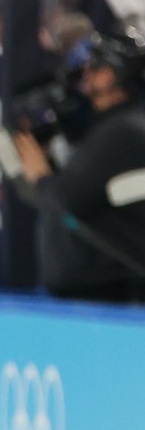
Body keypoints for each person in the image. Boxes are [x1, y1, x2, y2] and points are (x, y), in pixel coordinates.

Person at [12, 29, 145, 302]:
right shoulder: (117, 127)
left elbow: (67, 200)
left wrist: (40, 175)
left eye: (92, 68)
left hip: (106, 300)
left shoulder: (122, 131)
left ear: (109, 75)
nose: (85, 78)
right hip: (102, 296)